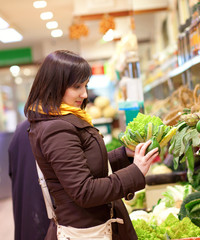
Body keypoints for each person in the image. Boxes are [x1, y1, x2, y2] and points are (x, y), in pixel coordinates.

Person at [24, 50, 159, 240]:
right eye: (77, 86)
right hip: (88, 230)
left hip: (92, 224)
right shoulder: (56, 129)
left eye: (86, 85)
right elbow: (84, 192)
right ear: (55, 85)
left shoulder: (61, 119)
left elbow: (85, 165)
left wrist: (124, 154)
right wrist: (135, 172)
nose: (84, 94)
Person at [8, 119, 50, 240]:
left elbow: (12, 170)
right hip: (46, 215)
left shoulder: (21, 128)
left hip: (27, 210)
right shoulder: (54, 126)